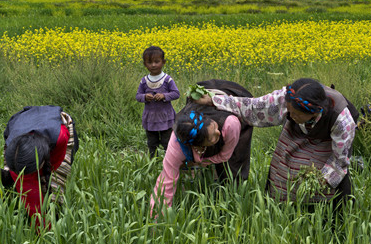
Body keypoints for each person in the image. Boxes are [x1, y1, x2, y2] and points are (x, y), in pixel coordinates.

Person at [197, 78, 358, 215]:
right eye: (289, 111)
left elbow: (339, 160)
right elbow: (253, 108)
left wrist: (321, 180)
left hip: (327, 139)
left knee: (325, 187)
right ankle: (283, 211)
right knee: (285, 169)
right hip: (298, 131)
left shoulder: (341, 120)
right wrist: (214, 99)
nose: (291, 116)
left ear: (313, 112)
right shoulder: (289, 97)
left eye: (295, 114)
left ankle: (323, 215)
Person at [151, 79, 254, 215]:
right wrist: (156, 219)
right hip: (200, 123)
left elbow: (225, 155)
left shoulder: (230, 124)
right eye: (213, 137)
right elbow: (166, 182)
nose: (217, 132)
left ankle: (233, 206)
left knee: (235, 164)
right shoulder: (177, 143)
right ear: (198, 145)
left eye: (215, 128)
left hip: (235, 98)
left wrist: (201, 162)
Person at [0, 105, 78, 229]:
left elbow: (54, 166)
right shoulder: (12, 143)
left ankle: (53, 219)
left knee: (55, 183)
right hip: (24, 128)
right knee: (25, 185)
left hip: (57, 127)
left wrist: (45, 181)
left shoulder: (60, 137)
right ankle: (40, 225)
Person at [136, 46, 180, 157]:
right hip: (150, 118)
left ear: (163, 62)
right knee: (152, 143)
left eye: (157, 61)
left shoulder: (167, 79)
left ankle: (169, 161)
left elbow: (176, 93)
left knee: (167, 142)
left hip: (166, 118)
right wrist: (145, 97)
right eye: (149, 62)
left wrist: (164, 96)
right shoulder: (144, 81)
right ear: (145, 64)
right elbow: (138, 96)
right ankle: (153, 163)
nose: (153, 65)